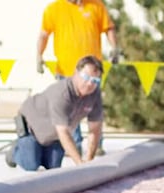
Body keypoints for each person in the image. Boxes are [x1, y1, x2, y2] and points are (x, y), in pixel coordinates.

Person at [36, 0, 121, 156]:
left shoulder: (96, 6)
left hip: (92, 72)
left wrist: (115, 48)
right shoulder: (54, 9)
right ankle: (74, 145)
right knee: (69, 110)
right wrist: (39, 55)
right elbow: (44, 34)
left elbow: (109, 28)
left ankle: (97, 145)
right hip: (66, 70)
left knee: (94, 108)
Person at [6, 56, 104, 171]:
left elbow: (95, 129)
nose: (89, 84)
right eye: (86, 77)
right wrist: (80, 164)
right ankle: (15, 152)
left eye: (95, 81)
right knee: (31, 164)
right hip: (31, 128)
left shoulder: (94, 94)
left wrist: (89, 160)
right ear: (76, 73)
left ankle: (38, 152)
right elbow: (64, 132)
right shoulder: (62, 93)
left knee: (53, 167)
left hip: (53, 136)